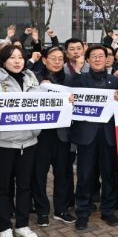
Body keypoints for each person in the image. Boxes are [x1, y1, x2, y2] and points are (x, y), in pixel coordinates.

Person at [0, 45, 41, 237]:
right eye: (12, 57)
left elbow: (45, 107)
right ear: (3, 61)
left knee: (24, 186)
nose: (17, 61)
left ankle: (22, 224)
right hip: (3, 144)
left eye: (20, 57)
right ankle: (4, 227)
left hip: (29, 142)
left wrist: (66, 102)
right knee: (2, 188)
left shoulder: (32, 81)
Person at [69, 45, 118, 230]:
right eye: (94, 56)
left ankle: (108, 210)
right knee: (85, 176)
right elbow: (69, 99)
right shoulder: (79, 79)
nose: (98, 59)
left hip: (109, 136)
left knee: (109, 175)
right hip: (87, 136)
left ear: (107, 59)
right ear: (88, 60)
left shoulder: (115, 82)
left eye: (101, 56)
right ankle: (82, 212)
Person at [33, 46, 76, 227]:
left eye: (60, 59)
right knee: (39, 175)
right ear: (44, 60)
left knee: (63, 174)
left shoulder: (70, 80)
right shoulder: (34, 79)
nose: (57, 62)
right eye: (53, 58)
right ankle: (42, 211)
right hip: (41, 135)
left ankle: (61, 210)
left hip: (62, 134)